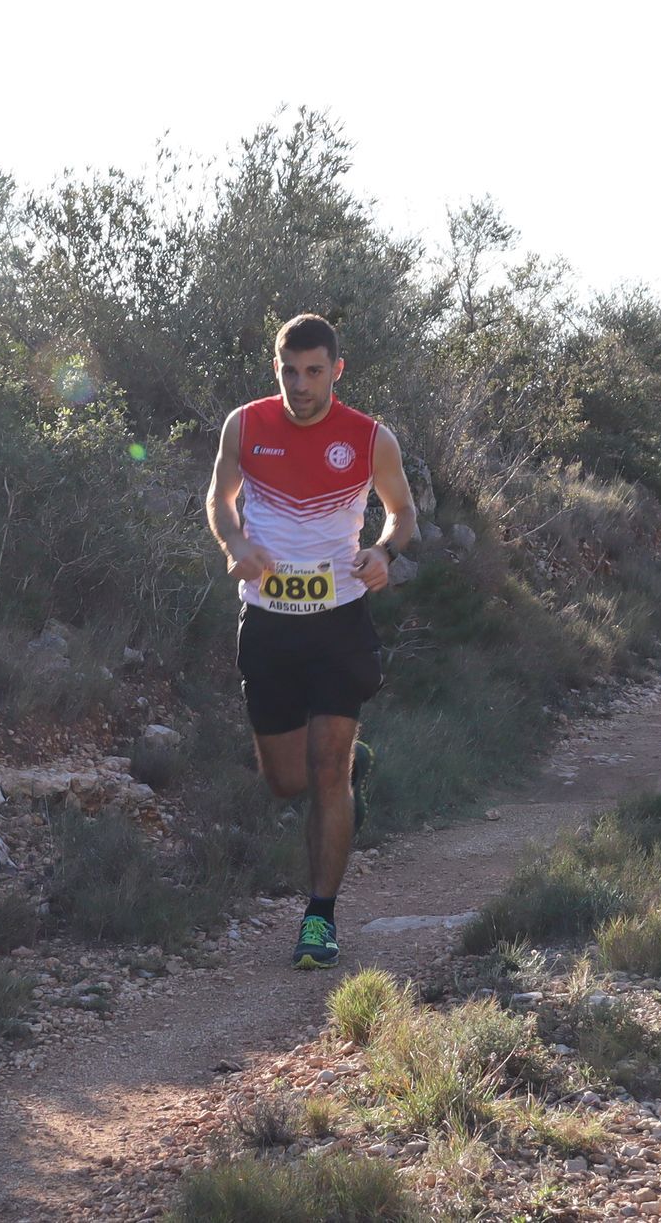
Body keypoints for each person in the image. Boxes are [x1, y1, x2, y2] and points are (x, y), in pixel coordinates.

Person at [205, 313, 418, 969]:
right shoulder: (245, 425)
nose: (300, 385)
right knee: (286, 782)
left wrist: (383, 552)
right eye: (289, 371)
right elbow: (219, 499)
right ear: (277, 368)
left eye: (314, 372)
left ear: (336, 371)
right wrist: (234, 542)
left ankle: (319, 919)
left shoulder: (369, 437)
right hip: (268, 625)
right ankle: (349, 774)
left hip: (338, 623)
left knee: (327, 769)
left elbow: (403, 512)